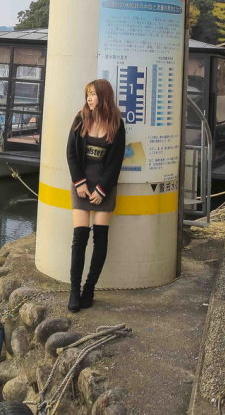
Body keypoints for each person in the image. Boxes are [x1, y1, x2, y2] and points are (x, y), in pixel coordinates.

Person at [65, 78, 126, 312]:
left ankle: (89, 288)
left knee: (100, 239)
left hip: (104, 188)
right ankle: (74, 290)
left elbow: (116, 160)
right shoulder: (80, 118)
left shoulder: (116, 123)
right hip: (81, 184)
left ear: (104, 96)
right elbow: (70, 152)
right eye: (87, 94)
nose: (90, 98)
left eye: (93, 94)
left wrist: (102, 189)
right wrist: (79, 182)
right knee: (79, 239)